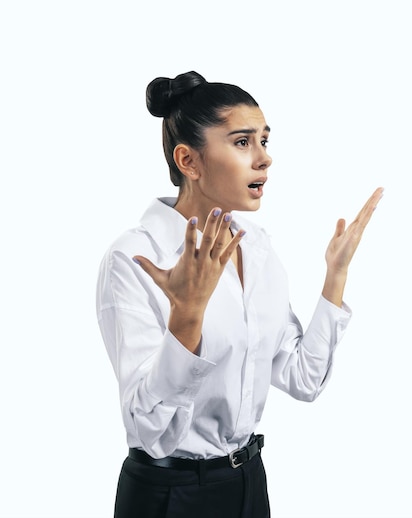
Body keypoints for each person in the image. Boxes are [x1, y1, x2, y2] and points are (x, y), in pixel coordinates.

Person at [95, 70, 383, 518]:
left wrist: (335, 276)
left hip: (249, 484)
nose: (264, 159)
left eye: (265, 141)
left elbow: (303, 379)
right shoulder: (135, 257)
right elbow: (149, 429)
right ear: (189, 162)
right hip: (170, 496)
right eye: (243, 142)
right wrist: (187, 316)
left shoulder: (257, 246)